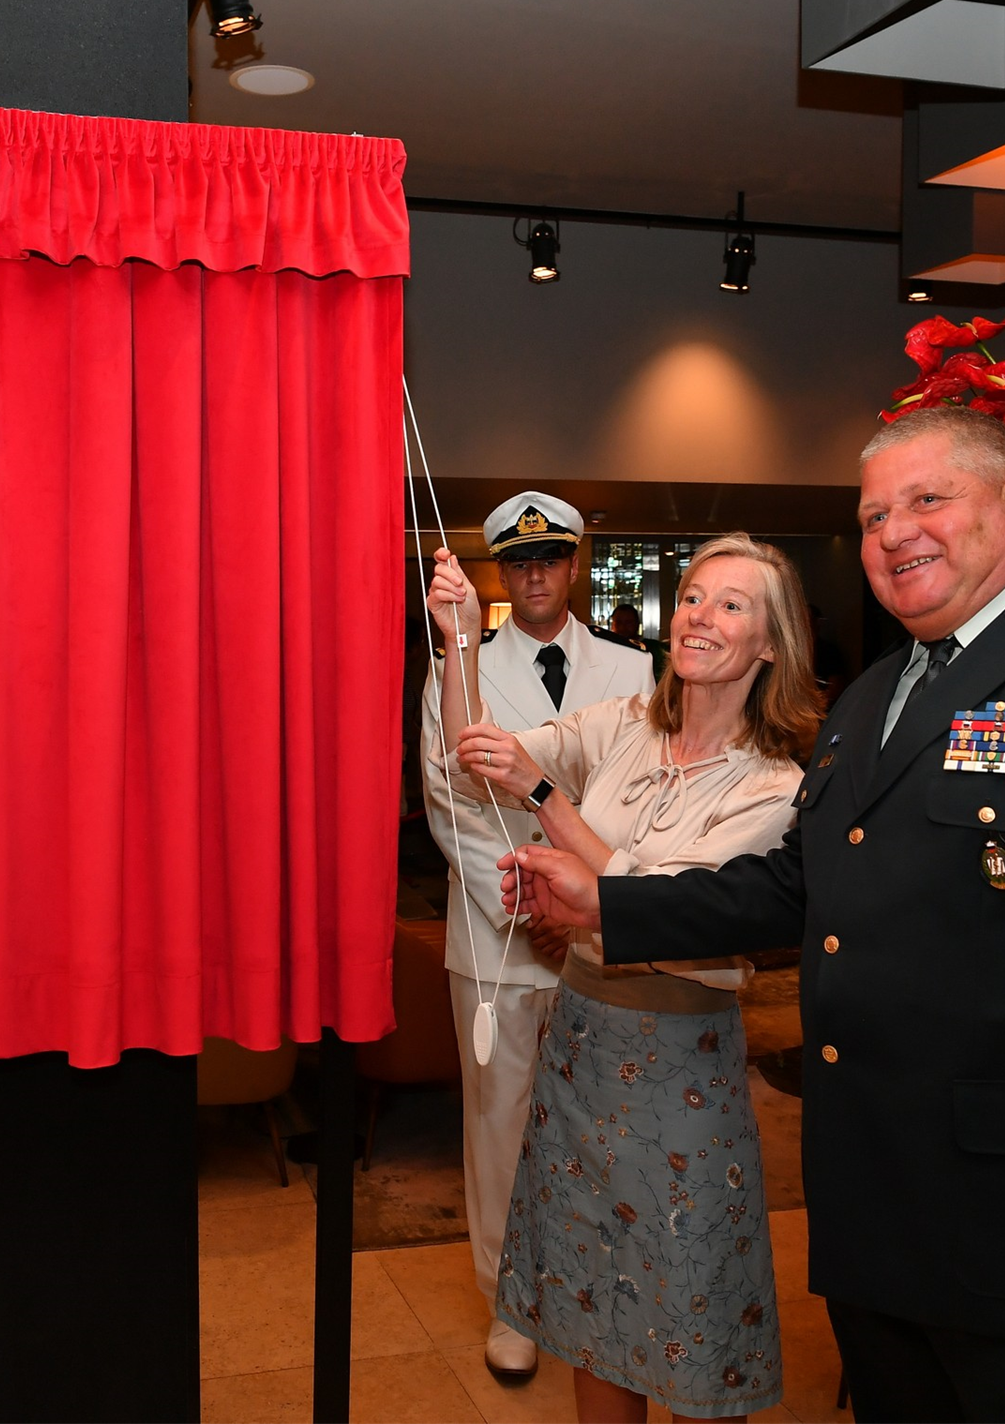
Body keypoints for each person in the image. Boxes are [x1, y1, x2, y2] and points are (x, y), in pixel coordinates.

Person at [502, 405, 1005, 1423]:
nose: (895, 531)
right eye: (871, 516)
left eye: (927, 499)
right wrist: (612, 903)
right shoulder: (870, 702)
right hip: (875, 1222)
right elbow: (793, 889)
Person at [427, 532, 824, 1424]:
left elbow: (666, 907)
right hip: (579, 1052)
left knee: (689, 1300)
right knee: (589, 1299)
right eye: (691, 596)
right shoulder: (625, 726)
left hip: (678, 1066)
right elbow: (474, 751)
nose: (699, 616)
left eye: (731, 604)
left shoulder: (775, 786)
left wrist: (548, 803)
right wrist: (458, 640)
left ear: (772, 643)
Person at [418, 490, 655, 1377]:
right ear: (500, 574)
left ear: (573, 564)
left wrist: (586, 907)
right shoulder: (459, 661)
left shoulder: (632, 671)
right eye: (518, 562)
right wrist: (530, 909)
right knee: (504, 1124)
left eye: (549, 559)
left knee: (605, 1119)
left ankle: (602, 1285)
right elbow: (453, 803)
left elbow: (639, 802)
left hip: (601, 933)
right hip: (498, 938)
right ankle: (512, 1302)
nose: (535, 574)